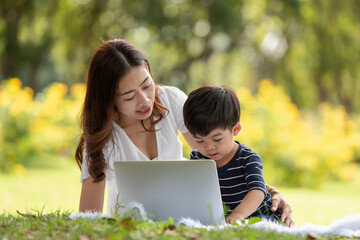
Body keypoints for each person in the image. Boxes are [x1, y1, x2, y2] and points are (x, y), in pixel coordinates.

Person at [75, 39, 294, 227]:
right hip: (131, 227)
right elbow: (88, 217)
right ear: (108, 98)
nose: (145, 100)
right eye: (129, 96)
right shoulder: (100, 135)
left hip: (182, 222)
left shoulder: (171, 100)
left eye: (146, 85)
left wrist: (269, 192)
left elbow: (216, 155)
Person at [183, 85, 283, 224]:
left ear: (235, 129)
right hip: (224, 220)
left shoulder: (247, 158)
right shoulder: (198, 158)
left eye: (217, 139)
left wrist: (237, 216)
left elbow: (258, 192)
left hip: (261, 216)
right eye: (199, 140)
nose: (209, 147)